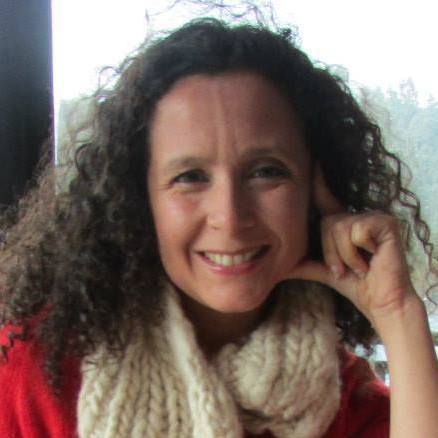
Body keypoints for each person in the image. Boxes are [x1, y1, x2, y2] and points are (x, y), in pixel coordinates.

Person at [0, 17, 437, 438]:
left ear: (315, 187)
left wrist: (398, 313)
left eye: (266, 171)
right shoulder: (37, 372)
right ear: (138, 200)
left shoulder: (345, 400)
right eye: (190, 177)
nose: (229, 216)